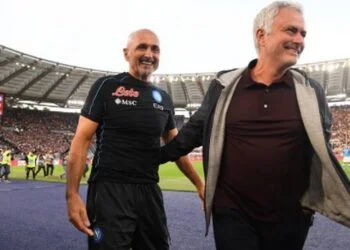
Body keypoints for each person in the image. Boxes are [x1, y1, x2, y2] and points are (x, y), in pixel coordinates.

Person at [160, 2, 350, 250]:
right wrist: (152, 157)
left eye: (303, 33)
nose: (299, 39)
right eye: (291, 31)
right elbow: (194, 131)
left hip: (291, 217)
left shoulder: (311, 91)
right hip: (233, 213)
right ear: (262, 35)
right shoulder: (225, 85)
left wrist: (307, 204)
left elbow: (320, 151)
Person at [65, 29, 204, 250]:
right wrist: (71, 195)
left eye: (155, 49)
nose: (149, 54)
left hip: (149, 191)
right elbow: (81, 141)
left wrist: (199, 185)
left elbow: (175, 147)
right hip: (109, 191)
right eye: (142, 47)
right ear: (126, 53)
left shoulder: (164, 99)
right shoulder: (106, 86)